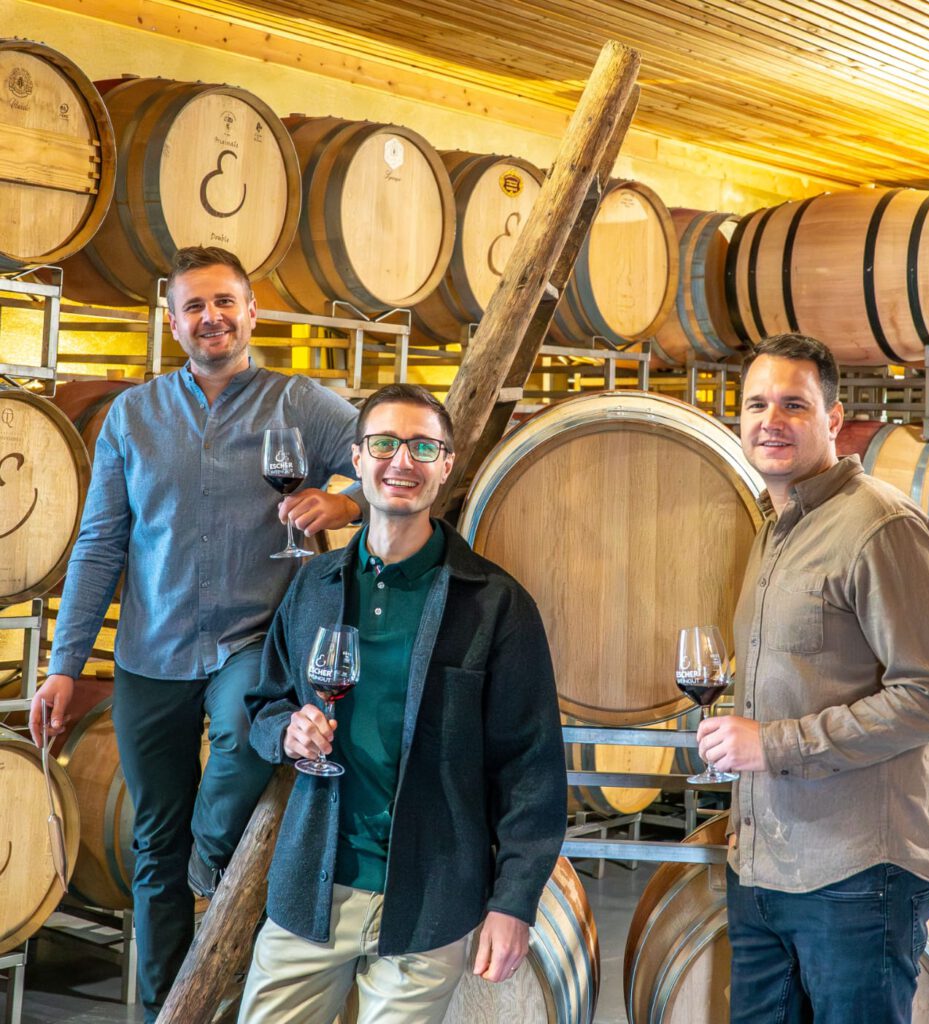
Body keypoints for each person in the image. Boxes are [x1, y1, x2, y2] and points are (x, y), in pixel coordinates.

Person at [29, 246, 363, 1023]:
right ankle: (164, 1009)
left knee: (247, 743)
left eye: (224, 302)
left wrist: (343, 505)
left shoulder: (302, 403)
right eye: (194, 307)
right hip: (152, 652)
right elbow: (100, 543)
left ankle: (209, 861)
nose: (210, 317)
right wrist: (63, 666)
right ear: (173, 321)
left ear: (251, 312)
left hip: (254, 642)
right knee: (152, 846)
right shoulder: (133, 416)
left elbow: (381, 461)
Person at [237, 383, 566, 1024]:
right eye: (384, 443)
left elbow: (531, 767)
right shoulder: (314, 584)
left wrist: (515, 900)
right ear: (356, 461)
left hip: (429, 895)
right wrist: (287, 732)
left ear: (446, 466)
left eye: (423, 447)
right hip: (314, 886)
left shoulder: (494, 603)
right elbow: (264, 704)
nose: (402, 462)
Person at [696, 333, 929, 1023]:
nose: (770, 420)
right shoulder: (774, 529)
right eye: (756, 403)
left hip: (853, 878)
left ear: (833, 420)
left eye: (793, 404)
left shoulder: (879, 525)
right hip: (762, 870)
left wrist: (773, 745)